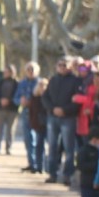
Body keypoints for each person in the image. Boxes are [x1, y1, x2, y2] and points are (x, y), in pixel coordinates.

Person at [43, 56, 83, 185]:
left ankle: (67, 175)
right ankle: (52, 174)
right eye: (60, 65)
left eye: (65, 65)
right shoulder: (53, 80)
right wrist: (53, 109)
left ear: (71, 66)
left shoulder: (76, 81)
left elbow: (78, 101)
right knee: (52, 146)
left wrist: (64, 110)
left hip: (68, 118)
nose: (62, 67)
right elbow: (45, 97)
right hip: (53, 117)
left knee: (69, 148)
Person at [15, 62, 40, 172]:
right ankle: (31, 163)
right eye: (29, 69)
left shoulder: (40, 82)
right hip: (25, 113)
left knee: (37, 140)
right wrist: (21, 101)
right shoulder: (22, 83)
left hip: (38, 114)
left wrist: (33, 102)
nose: (31, 71)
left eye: (33, 69)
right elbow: (15, 98)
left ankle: (38, 165)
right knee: (27, 139)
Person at [0, 65, 18, 155]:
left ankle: (8, 148)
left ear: (12, 73)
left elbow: (17, 94)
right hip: (1, 109)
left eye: (7, 72)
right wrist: (1, 99)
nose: (5, 74)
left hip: (12, 109)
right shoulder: (1, 82)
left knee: (10, 130)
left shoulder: (16, 83)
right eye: (4, 72)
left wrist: (8, 100)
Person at [29, 77, 49, 174]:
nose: (42, 87)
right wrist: (32, 123)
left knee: (50, 147)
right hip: (38, 125)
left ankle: (47, 167)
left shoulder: (49, 97)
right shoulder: (35, 97)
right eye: (40, 85)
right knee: (39, 146)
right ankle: (39, 166)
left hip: (48, 124)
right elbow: (32, 112)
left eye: (44, 85)